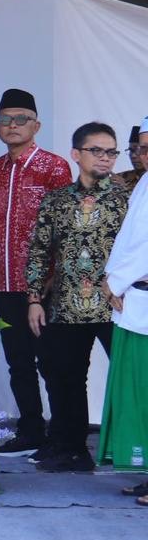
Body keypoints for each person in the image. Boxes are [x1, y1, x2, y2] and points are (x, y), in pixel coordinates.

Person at [26, 122, 129, 473]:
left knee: (132, 376)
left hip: (118, 306)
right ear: (76, 154)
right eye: (96, 150)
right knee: (64, 377)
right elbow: (39, 251)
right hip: (67, 303)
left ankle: (130, 450)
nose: (105, 158)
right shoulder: (56, 200)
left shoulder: (127, 199)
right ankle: (70, 449)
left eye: (111, 151)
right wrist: (34, 299)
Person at [0, 89, 73, 458]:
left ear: (36, 125)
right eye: (6, 120)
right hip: (4, 284)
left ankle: (62, 435)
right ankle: (31, 429)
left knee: (51, 361)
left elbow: (64, 230)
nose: (12, 126)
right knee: (17, 361)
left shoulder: (53, 168)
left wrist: (50, 281)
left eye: (21, 119)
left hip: (44, 286)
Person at [98, 115, 148, 504]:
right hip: (135, 299)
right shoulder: (144, 183)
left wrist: (114, 282)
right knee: (137, 390)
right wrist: (112, 279)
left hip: (138, 293)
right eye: (140, 147)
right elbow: (127, 241)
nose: (142, 155)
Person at [116, 124, 143, 190]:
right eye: (131, 150)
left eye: (138, 150)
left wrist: (124, 189)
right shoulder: (121, 177)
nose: (133, 156)